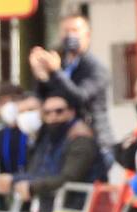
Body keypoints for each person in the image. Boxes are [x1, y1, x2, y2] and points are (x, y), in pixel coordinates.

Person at [31, 14, 113, 161]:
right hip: (61, 141)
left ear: (87, 35)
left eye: (75, 30)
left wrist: (56, 72)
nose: (70, 35)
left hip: (93, 142)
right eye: (66, 31)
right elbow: (48, 98)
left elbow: (79, 97)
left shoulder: (96, 69)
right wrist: (42, 76)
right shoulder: (61, 64)